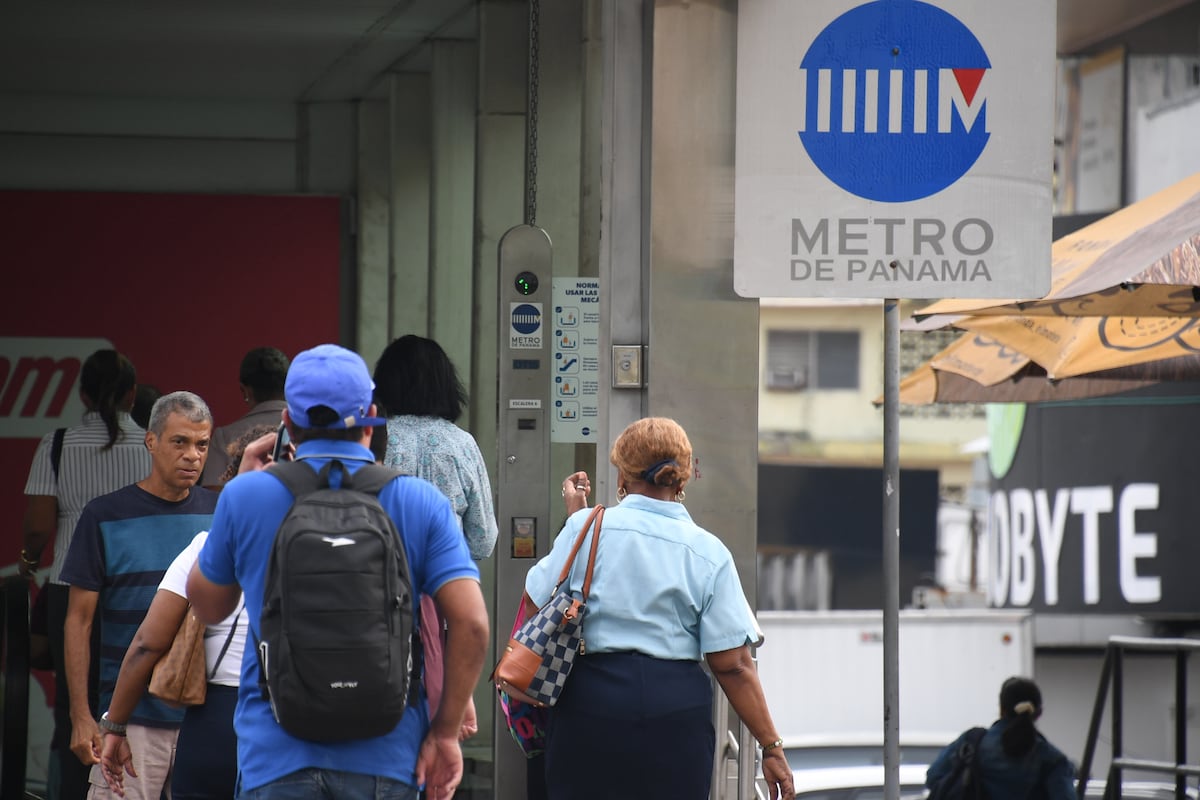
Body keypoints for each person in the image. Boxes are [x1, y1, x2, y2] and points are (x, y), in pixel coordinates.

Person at [186, 343, 490, 800]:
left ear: (288, 424)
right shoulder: (419, 501)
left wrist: (239, 486)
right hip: (388, 758)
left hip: (275, 756)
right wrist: (445, 732)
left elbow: (209, 606)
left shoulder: (247, 497)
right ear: (371, 417)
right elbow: (472, 624)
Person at [523, 417, 794, 800]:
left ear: (621, 475)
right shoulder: (708, 551)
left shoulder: (584, 527)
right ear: (682, 481)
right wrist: (771, 746)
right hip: (676, 712)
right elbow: (733, 665)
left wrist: (577, 525)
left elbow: (535, 601)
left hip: (590, 704)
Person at [97, 424, 275, 800]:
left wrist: (115, 724)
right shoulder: (322, 548)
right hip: (293, 719)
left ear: (232, 483)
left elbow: (147, 643)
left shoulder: (207, 547)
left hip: (217, 721)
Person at [60, 391, 218, 800]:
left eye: (202, 445)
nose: (192, 456)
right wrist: (82, 716)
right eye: (179, 442)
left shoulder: (222, 514)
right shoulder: (104, 515)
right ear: (151, 441)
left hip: (204, 717)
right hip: (128, 720)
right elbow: (78, 620)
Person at [21, 348, 152, 800]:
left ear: (82, 395)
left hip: (69, 590)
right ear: (133, 394)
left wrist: (27, 563)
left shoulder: (57, 444)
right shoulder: (153, 445)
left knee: (73, 710)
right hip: (136, 591)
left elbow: (38, 527)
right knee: (137, 702)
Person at [373, 334, 499, 741]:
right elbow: (483, 539)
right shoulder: (461, 445)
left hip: (377, 603)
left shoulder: (377, 439)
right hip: (447, 607)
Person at [925, 676, 1076, 799]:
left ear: (1001, 709)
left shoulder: (971, 743)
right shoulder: (1052, 759)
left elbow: (934, 777)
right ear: (1039, 713)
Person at [200, 346, 290, 488]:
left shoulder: (224, 437)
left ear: (244, 391)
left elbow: (213, 494)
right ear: (288, 386)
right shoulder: (310, 431)